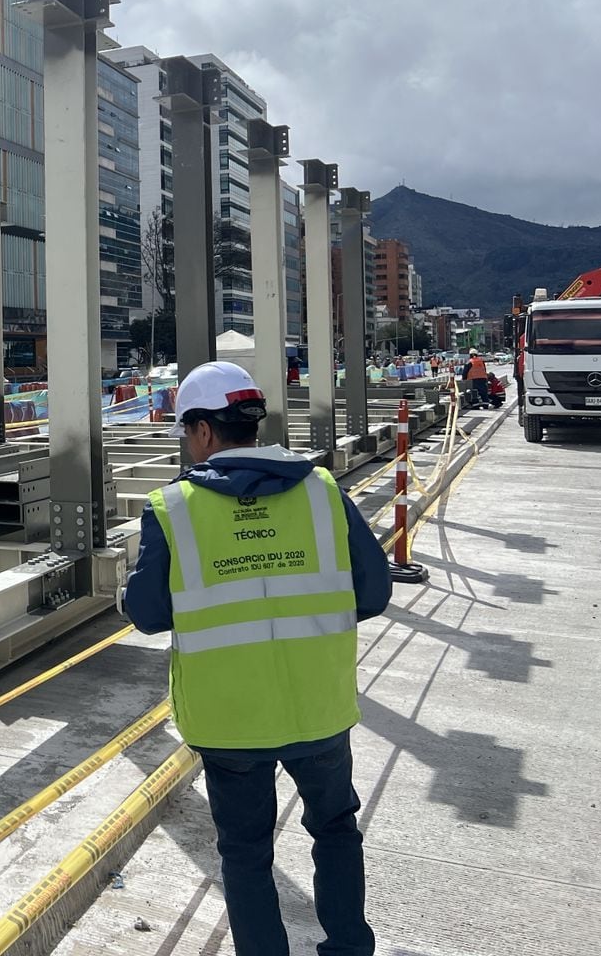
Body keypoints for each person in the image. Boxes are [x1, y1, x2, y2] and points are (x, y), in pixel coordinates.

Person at [124, 361, 391, 956]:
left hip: (230, 722)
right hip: (319, 711)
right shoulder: (323, 492)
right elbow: (374, 592)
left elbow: (145, 613)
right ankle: (349, 947)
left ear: (202, 431)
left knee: (245, 853)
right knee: (336, 830)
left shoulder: (174, 508)